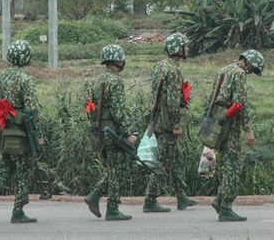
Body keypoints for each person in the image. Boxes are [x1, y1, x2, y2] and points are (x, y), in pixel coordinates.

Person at [0, 40, 44, 223]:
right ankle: (18, 211)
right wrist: (39, 135)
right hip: (21, 133)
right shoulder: (25, 79)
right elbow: (32, 111)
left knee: (6, 166)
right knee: (23, 169)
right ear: (26, 57)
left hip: (2, 130)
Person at [143, 33, 198, 213]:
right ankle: (150, 199)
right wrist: (176, 124)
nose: (187, 49)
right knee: (163, 161)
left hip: (158, 120)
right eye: (185, 46)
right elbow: (173, 100)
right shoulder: (174, 71)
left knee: (173, 159)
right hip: (167, 123)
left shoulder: (160, 66)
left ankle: (181, 196)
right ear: (177, 49)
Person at [83, 44, 137, 221]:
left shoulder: (97, 80)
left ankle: (95, 196)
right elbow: (119, 112)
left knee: (113, 169)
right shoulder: (115, 81)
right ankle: (112, 209)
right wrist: (128, 133)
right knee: (117, 170)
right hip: (114, 133)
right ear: (117, 60)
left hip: (99, 133)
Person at [211, 49, 264, 222]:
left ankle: (219, 199)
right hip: (230, 125)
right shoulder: (239, 74)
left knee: (226, 163)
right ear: (249, 63)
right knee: (233, 165)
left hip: (217, 121)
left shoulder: (225, 70)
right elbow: (240, 103)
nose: (249, 73)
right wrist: (248, 129)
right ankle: (226, 206)